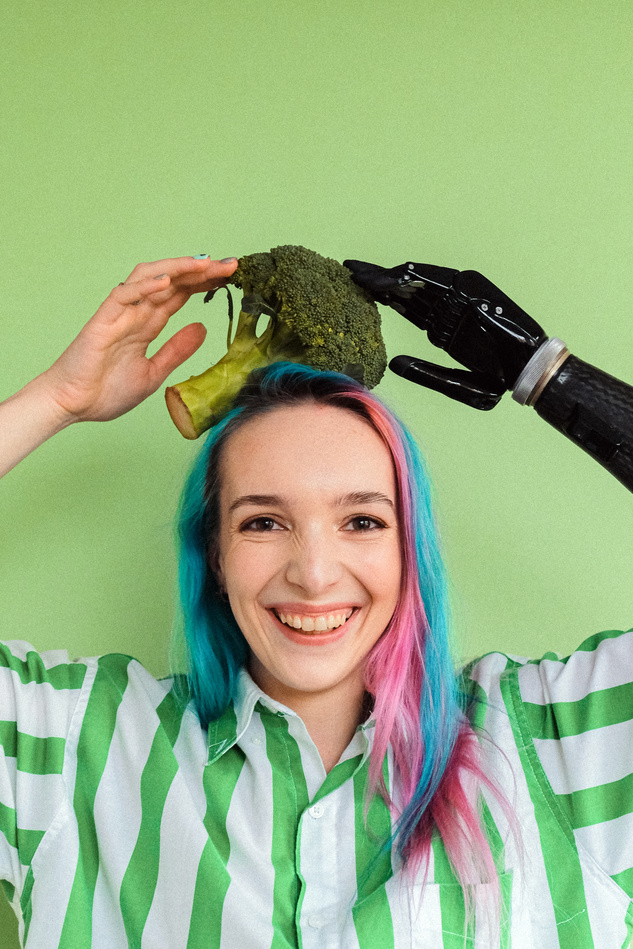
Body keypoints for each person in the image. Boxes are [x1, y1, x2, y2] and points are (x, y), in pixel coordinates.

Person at [1, 254, 632, 948]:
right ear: (215, 552)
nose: (313, 572)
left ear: (408, 547)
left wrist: (546, 373)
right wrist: (53, 400)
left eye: (362, 520)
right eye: (263, 522)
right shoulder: (76, 750)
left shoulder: (554, 743)